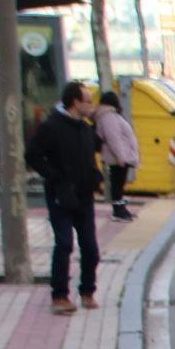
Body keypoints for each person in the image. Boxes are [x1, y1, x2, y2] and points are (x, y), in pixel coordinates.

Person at [25, 81, 103, 315]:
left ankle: (87, 291)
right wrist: (54, 177)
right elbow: (32, 154)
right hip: (61, 195)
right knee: (64, 244)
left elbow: (93, 152)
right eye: (87, 101)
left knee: (90, 245)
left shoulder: (85, 127)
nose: (91, 105)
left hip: (84, 195)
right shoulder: (52, 126)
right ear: (75, 102)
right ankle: (59, 296)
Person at [93, 91, 139, 222]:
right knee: (117, 184)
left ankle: (121, 209)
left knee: (119, 184)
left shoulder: (109, 115)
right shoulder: (108, 117)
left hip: (121, 156)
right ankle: (118, 212)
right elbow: (114, 138)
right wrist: (121, 157)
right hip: (118, 158)